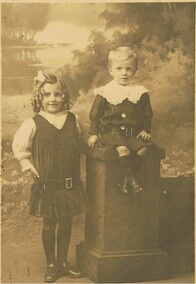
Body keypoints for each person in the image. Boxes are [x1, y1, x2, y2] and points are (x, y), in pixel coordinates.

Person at [12, 71, 85, 283]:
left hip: (69, 185)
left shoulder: (73, 120)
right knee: (49, 224)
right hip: (47, 186)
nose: (53, 99)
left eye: (58, 94)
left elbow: (80, 140)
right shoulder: (33, 123)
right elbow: (20, 147)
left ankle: (63, 261)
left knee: (66, 222)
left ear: (64, 96)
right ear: (39, 98)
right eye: (47, 95)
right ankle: (51, 264)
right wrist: (27, 164)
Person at [88, 46, 154, 194]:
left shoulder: (140, 92)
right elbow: (95, 114)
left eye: (129, 69)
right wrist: (93, 133)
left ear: (135, 70)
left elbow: (147, 114)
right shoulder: (105, 92)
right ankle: (131, 180)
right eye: (119, 68)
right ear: (111, 70)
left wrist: (145, 130)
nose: (124, 73)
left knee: (143, 149)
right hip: (112, 134)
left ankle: (127, 179)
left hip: (133, 134)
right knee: (123, 149)